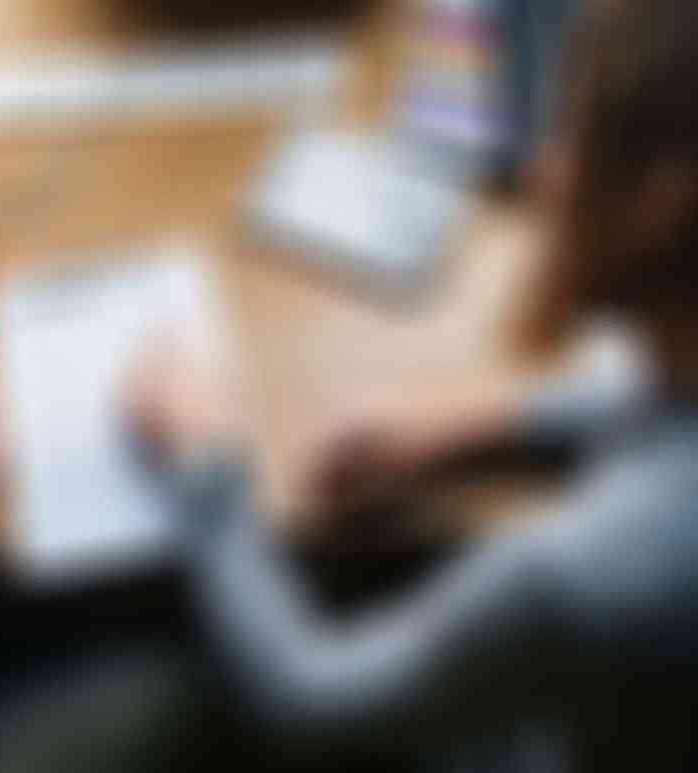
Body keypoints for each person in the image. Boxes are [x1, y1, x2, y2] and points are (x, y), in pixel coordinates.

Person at [130, 0, 698, 769]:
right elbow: (667, 404)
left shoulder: (583, 572)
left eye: (577, 134)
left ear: (659, 210)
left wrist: (207, 465)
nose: (544, 171)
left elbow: (313, 701)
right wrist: (481, 425)